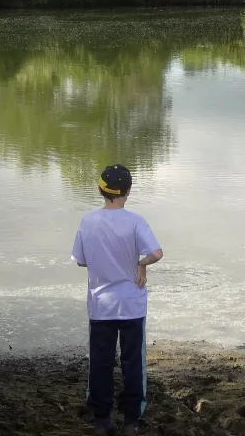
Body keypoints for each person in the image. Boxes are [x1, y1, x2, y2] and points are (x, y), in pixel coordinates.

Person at [72, 164, 164, 436]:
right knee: (133, 361)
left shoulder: (88, 221)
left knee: (100, 363)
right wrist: (141, 264)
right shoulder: (135, 221)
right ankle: (131, 421)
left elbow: (79, 260)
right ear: (128, 192)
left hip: (101, 305)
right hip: (132, 305)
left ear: (100, 190)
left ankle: (102, 420)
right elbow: (157, 253)